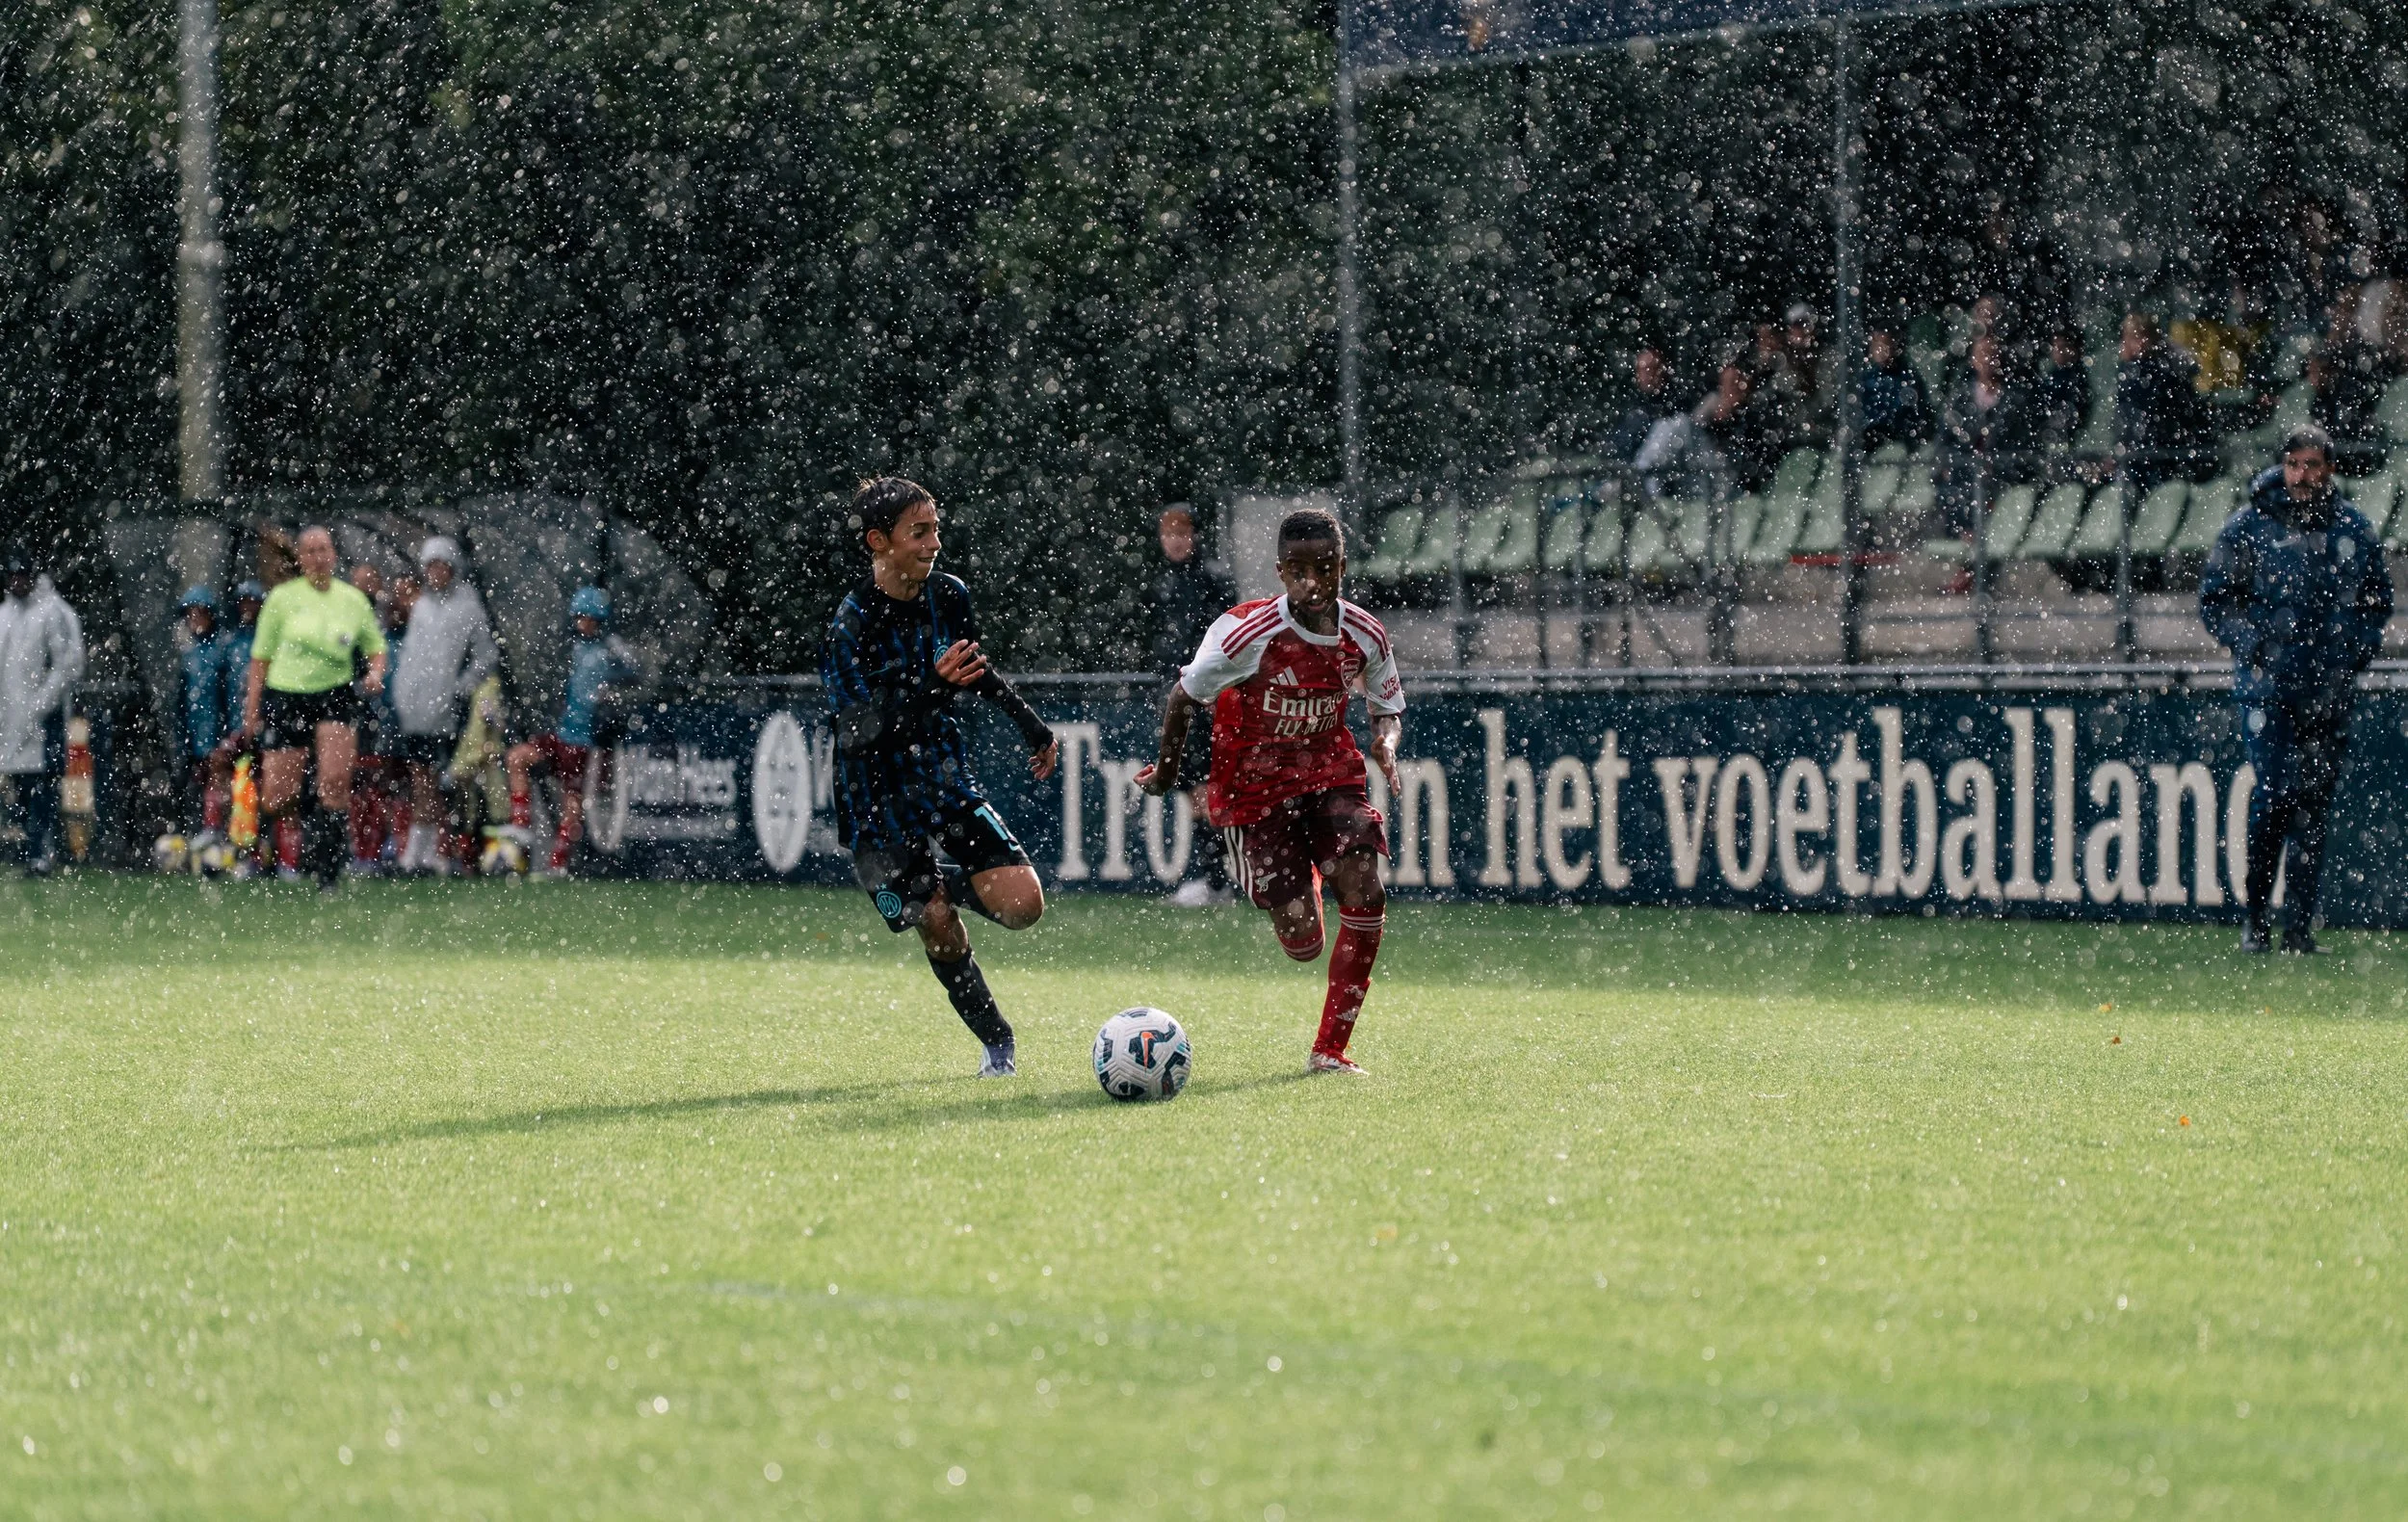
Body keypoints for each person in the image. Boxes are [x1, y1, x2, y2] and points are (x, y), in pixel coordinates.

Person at [1139, 507, 1405, 1076]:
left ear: (1342, 565)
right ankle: (1304, 877)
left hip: (1328, 769)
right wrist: (1166, 774)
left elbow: (1386, 706)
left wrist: (1385, 741)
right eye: (1301, 570)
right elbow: (1182, 698)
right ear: (1282, 572)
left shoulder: (1364, 632)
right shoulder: (1248, 635)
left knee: (1364, 885)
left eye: (1326, 567)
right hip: (1254, 785)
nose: (1314, 582)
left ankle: (1330, 1051)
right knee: (1302, 941)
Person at [822, 478, 1060, 1078]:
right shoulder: (851, 622)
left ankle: (931, 886)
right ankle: (998, 1045)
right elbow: (854, 733)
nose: (934, 543)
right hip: (874, 795)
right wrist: (930, 685)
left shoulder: (949, 595)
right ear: (880, 542)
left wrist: (1031, 726)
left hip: (940, 772)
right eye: (919, 532)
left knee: (1024, 906)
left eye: (936, 529)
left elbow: (970, 669)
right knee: (935, 923)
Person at [2199, 425, 2394, 954]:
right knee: (2276, 797)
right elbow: (2215, 600)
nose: (2302, 476)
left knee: (2313, 805)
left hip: (2328, 692)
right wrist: (2255, 647)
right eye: (2294, 465)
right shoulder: (2248, 527)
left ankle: (2299, 929)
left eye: (2312, 465)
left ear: (2329, 468)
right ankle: (2257, 916)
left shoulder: (2352, 528)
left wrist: (2352, 653)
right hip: (2268, 691)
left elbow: (2377, 605)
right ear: (2282, 467)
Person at [238, 525, 387, 891]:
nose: (319, 557)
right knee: (278, 795)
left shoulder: (352, 600)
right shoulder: (282, 599)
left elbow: (376, 648)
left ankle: (329, 872)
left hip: (335, 695)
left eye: (324, 550)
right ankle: (279, 846)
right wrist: (252, 711)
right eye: (311, 551)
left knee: (335, 785)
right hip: (287, 695)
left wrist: (375, 674)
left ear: (334, 555)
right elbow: (260, 660)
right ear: (301, 558)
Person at [506, 587, 641, 878]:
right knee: (517, 758)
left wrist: (614, 695)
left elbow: (635, 676)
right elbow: (555, 686)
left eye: (588, 617)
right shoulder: (569, 648)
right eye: (579, 617)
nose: (583, 623)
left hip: (586, 740)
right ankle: (520, 829)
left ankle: (558, 861)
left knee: (573, 800)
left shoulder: (609, 650)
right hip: (560, 734)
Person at [390, 536, 499, 875]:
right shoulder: (421, 606)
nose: (435, 572)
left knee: (440, 783)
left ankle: (432, 852)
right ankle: (423, 854)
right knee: (421, 780)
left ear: (452, 567)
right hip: (414, 711)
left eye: (441, 565)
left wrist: (459, 689)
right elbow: (412, 657)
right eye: (430, 566)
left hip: (447, 713)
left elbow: (486, 655)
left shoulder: (468, 606)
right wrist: (402, 694)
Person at [1150, 505, 1237, 906]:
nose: (1175, 540)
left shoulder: (1212, 581)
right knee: (1193, 791)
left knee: (1204, 790)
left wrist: (1210, 690)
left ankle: (1215, 880)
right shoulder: (1164, 583)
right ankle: (1214, 877)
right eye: (1168, 533)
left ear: (1196, 535)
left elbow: (1223, 639)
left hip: (1202, 701)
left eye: (1182, 532)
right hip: (1179, 699)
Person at [0, 549, 87, 875]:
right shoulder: (5, 615)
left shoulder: (50, 612)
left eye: (22, 575)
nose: (17, 582)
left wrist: (40, 704)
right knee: (21, 787)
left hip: (41, 718)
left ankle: (41, 850)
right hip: (11, 719)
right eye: (12, 576)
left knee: (43, 785)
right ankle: (28, 849)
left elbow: (66, 664)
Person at [2114, 312, 2207, 489]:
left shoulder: (2163, 369)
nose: (2138, 343)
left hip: (2161, 453)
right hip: (2138, 452)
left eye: (2142, 337)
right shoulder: (2129, 370)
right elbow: (2124, 415)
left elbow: (2157, 416)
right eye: (2132, 338)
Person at [174, 586, 234, 840]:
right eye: (190, 614)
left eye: (200, 613)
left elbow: (226, 697)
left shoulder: (222, 652)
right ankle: (202, 831)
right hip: (195, 733)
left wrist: (224, 733)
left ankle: (221, 832)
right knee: (199, 782)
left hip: (215, 733)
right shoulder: (188, 656)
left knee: (221, 781)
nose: (194, 619)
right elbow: (182, 700)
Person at [1858, 328, 1934, 454]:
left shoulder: (1908, 377)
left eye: (1885, 345)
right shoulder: (1868, 376)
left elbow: (1915, 415)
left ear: (1895, 347)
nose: (1880, 351)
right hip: (1870, 435)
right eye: (1876, 346)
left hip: (1898, 437)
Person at [1608, 348, 1680, 463]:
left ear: (1661, 371)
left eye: (1650, 369)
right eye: (1641, 369)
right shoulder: (1631, 403)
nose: (1646, 374)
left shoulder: (1674, 402)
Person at [2031, 328, 2094, 453]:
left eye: (2063, 347)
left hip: (2072, 440)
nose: (2059, 352)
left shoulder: (2077, 378)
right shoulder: (2050, 378)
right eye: (2056, 347)